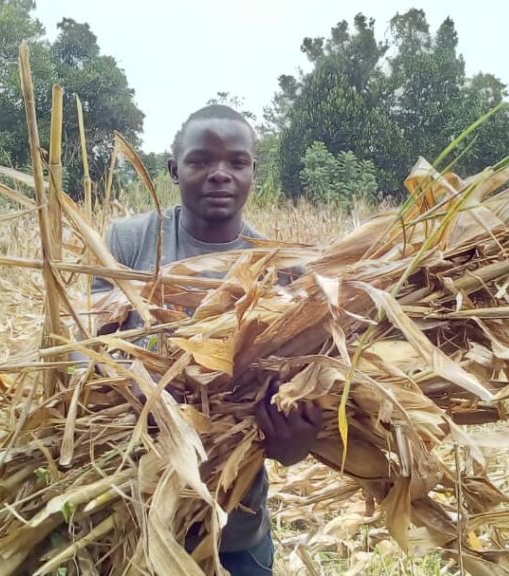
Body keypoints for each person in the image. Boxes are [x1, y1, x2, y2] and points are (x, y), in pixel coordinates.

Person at [89, 104, 322, 575]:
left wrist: (296, 443)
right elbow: (87, 349)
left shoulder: (280, 269)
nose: (220, 174)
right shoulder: (131, 242)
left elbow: (295, 398)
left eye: (237, 162)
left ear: (254, 171)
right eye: (200, 161)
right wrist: (128, 381)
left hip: (235, 523)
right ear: (174, 169)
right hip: (128, 502)